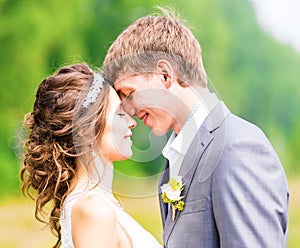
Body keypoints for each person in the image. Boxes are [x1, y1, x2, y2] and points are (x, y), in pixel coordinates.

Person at [102, 8, 290, 248]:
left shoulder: (236, 149)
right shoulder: (176, 160)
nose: (128, 110)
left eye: (129, 93)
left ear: (165, 75)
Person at [20, 63, 162, 248]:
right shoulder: (94, 210)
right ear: (86, 130)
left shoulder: (96, 204)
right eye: (119, 114)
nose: (131, 122)